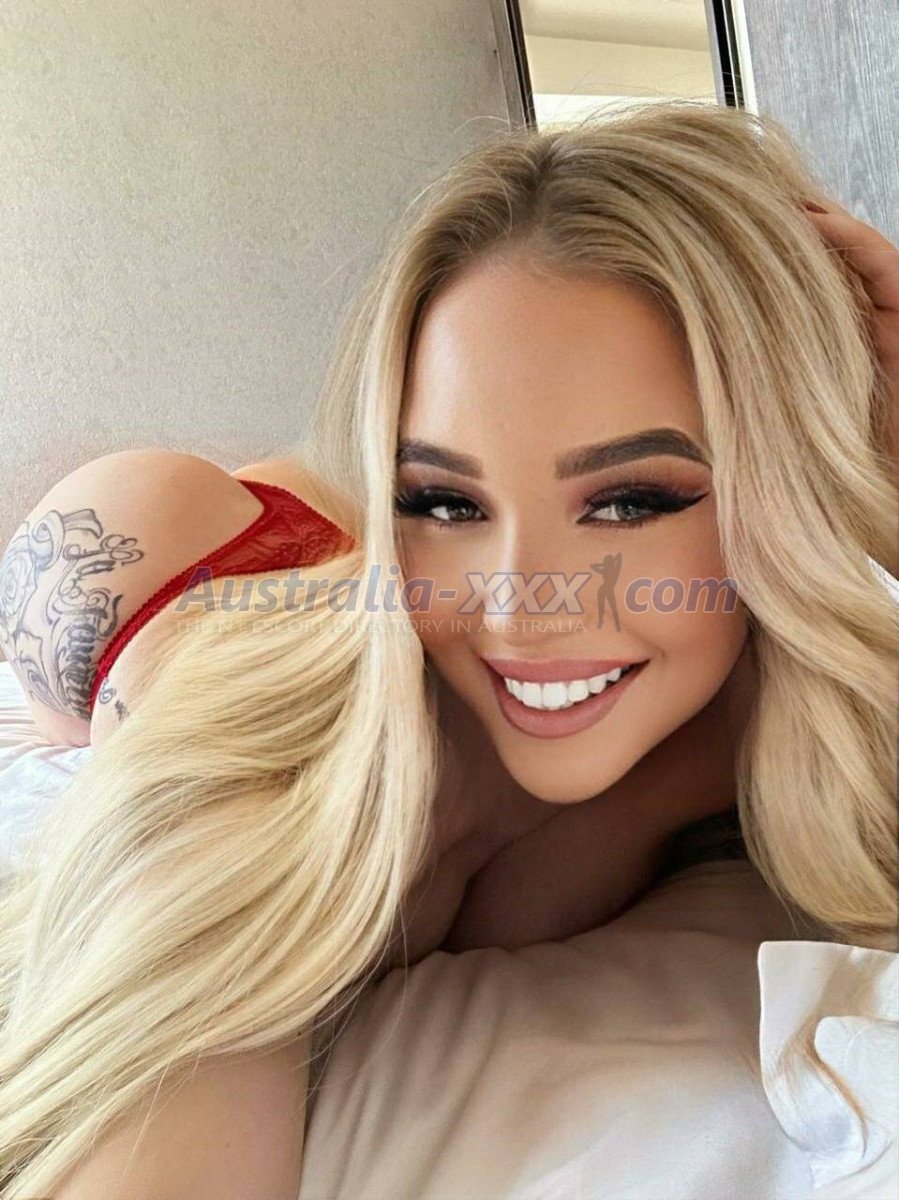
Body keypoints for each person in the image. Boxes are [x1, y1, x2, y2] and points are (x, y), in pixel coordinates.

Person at [0, 99, 895, 1198]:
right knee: (64, 679)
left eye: (627, 501)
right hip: (175, 556)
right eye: (442, 497)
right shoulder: (278, 763)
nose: (521, 608)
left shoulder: (778, 696)